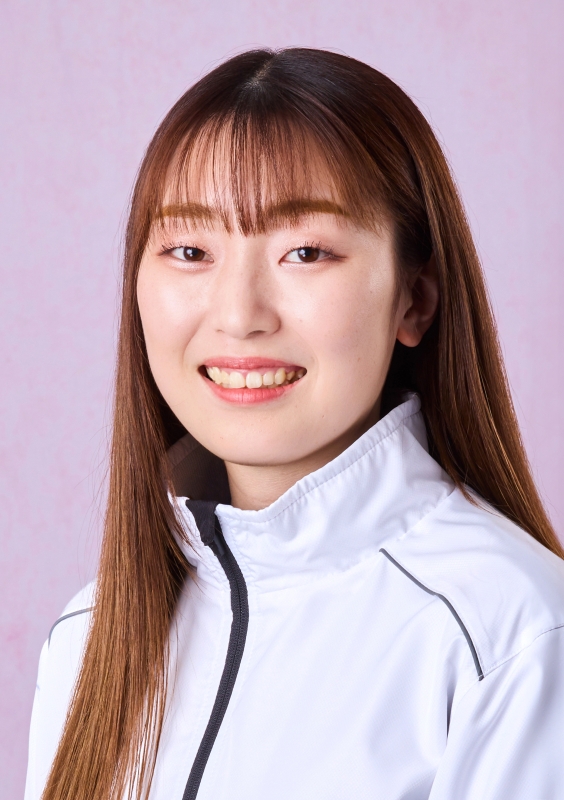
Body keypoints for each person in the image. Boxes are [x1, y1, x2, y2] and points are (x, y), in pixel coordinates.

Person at [25, 48, 564, 800]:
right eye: (190, 251)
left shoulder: (512, 636)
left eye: (305, 252)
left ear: (414, 299)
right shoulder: (88, 637)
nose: (239, 314)